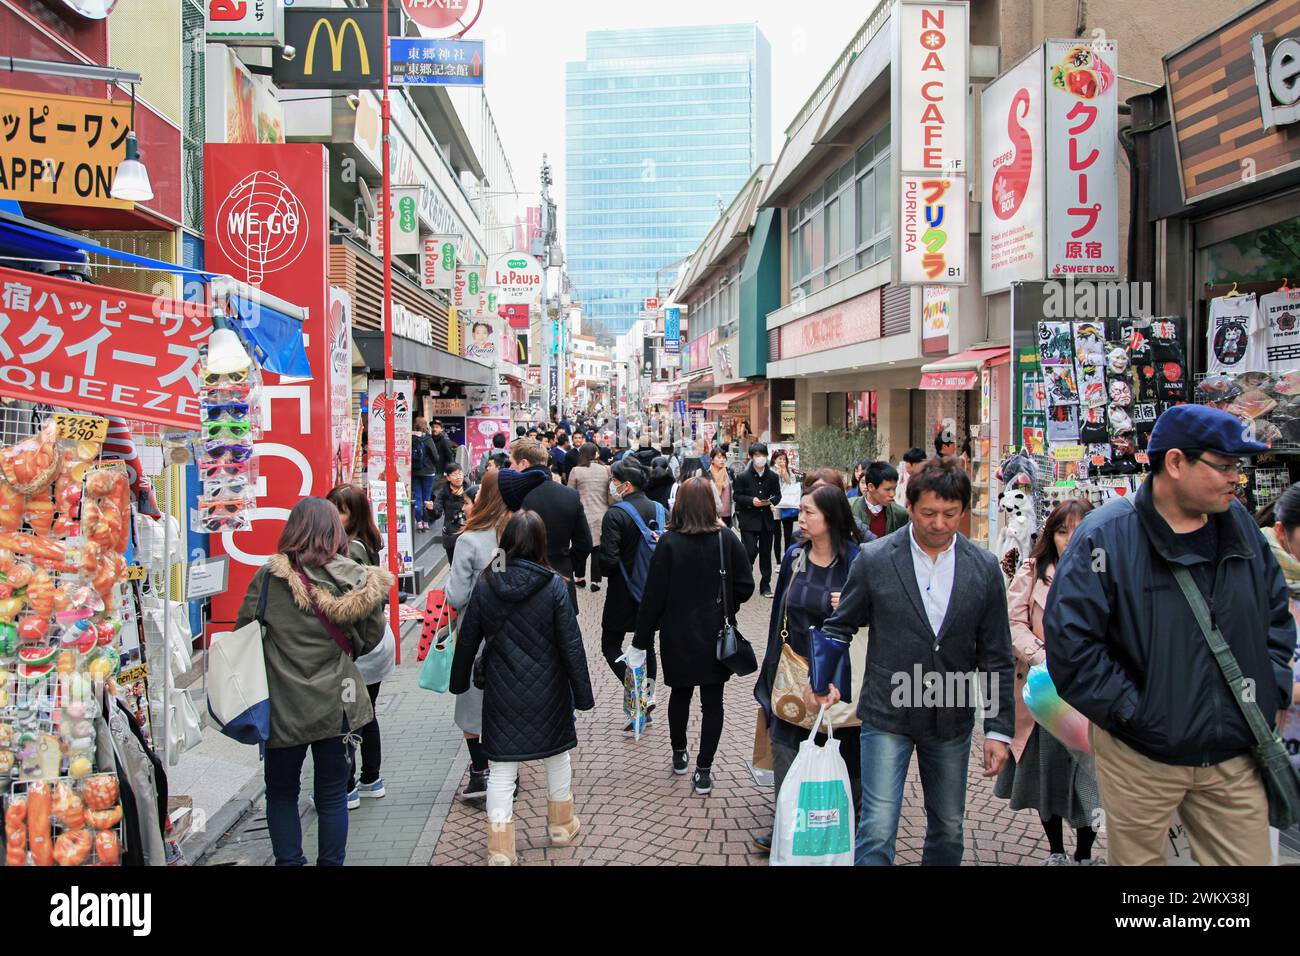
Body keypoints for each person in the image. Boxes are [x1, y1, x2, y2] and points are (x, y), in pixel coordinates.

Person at [1044, 404, 1293, 866]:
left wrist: (1271, 687)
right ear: (1175, 463)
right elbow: (1072, 646)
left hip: (1233, 754)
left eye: (1238, 467)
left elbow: (1274, 616)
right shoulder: (1107, 536)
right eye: (1224, 466)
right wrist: (1137, 716)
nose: (1235, 478)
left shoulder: (1242, 529)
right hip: (1142, 757)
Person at [813, 458, 1015, 865]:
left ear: (963, 510)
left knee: (949, 827)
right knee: (877, 827)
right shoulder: (875, 558)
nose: (939, 523)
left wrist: (998, 729)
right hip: (887, 713)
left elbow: (995, 654)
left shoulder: (984, 568)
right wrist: (824, 679)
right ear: (910, 506)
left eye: (950, 514)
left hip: (951, 717)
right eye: (928, 513)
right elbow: (839, 626)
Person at [235, 498, 390, 866]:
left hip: (282, 702)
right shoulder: (355, 576)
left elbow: (244, 630)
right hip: (336, 700)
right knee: (333, 792)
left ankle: (290, 862)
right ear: (334, 532)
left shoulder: (270, 577)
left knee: (282, 792)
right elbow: (370, 638)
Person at [449, 510, 595, 865]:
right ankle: (561, 826)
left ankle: (500, 848)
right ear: (542, 543)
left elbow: (468, 639)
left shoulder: (487, 583)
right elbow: (570, 645)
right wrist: (584, 694)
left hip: (501, 688)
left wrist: (458, 681)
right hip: (550, 688)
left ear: (506, 542)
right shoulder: (555, 585)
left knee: (501, 766)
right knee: (557, 755)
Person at [752, 482, 865, 854]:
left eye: (807, 512)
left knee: (839, 749)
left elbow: (874, 615)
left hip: (838, 673)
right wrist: (770, 670)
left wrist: (848, 604)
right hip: (793, 667)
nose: (800, 518)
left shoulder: (856, 560)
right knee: (787, 745)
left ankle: (841, 824)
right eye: (800, 511)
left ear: (829, 517)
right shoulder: (794, 557)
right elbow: (777, 616)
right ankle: (786, 824)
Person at [994, 499, 1102, 865]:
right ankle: (1056, 851)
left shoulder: (1109, 570)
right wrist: (1041, 656)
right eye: (1062, 530)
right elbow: (1011, 621)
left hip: (1093, 692)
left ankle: (1084, 853)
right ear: (1050, 535)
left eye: (1079, 529)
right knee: (1046, 776)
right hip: (1043, 693)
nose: (1070, 539)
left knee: (1090, 778)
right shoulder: (1034, 570)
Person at [634, 476, 754, 795]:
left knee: (680, 694)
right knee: (713, 701)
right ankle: (704, 769)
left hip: (677, 634)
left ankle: (679, 753)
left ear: (681, 505)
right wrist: (728, 605)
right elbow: (745, 585)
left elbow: (653, 596)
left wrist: (640, 639)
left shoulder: (669, 543)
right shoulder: (726, 539)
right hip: (716, 634)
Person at [445, 469, 514, 801]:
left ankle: (479, 774)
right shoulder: (509, 535)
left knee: (472, 704)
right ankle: (505, 773)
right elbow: (501, 582)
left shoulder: (469, 540)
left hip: (476, 635)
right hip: (510, 632)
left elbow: (456, 596)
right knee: (504, 702)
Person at [326, 485, 394, 808]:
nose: (333, 515)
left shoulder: (349, 551)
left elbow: (347, 607)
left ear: (354, 514)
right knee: (365, 714)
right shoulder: (366, 542)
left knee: (348, 716)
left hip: (360, 651)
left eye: (339, 510)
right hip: (376, 644)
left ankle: (346, 786)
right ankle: (371, 779)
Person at [599, 457, 663, 724]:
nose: (612, 486)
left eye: (614, 481)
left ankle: (635, 692)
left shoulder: (615, 514)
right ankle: (647, 696)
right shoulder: (660, 510)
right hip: (653, 592)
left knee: (610, 645)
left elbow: (608, 561)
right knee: (646, 645)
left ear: (626, 485)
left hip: (622, 593)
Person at [504, 439, 591, 609]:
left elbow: (499, 544)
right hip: (561, 578)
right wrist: (566, 563)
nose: (509, 468)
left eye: (511, 463)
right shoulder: (570, 495)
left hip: (520, 583)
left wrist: (500, 571)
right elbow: (585, 543)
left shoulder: (512, 496)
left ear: (523, 463)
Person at [733, 442, 782, 598]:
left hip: (766, 520)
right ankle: (745, 580)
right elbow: (737, 496)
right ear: (751, 457)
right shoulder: (742, 477)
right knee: (750, 550)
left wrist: (771, 501)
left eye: (763, 455)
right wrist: (750, 500)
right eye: (757, 455)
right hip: (749, 520)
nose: (760, 458)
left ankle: (765, 584)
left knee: (766, 553)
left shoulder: (773, 476)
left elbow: (778, 495)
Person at [567, 442, 617, 593]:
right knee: (597, 549)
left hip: (581, 514)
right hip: (602, 513)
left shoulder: (575, 471)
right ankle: (596, 581)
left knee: (580, 546)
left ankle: (580, 577)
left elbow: (570, 494)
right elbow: (610, 493)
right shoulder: (606, 470)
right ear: (596, 454)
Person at [430, 462, 475, 566]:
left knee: (467, 563)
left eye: (460, 474)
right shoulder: (443, 492)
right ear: (448, 477)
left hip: (467, 530)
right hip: (451, 532)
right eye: (454, 474)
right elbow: (437, 513)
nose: (458, 477)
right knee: (453, 564)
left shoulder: (470, 489)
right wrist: (431, 509)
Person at [851, 461, 909, 538]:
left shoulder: (900, 514)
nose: (893, 494)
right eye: (887, 489)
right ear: (871, 487)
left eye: (894, 489)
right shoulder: (850, 508)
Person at [771, 449, 800, 567]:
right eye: (780, 459)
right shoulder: (770, 471)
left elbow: (790, 483)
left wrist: (784, 472)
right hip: (775, 505)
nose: (782, 461)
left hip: (788, 504)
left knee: (788, 534)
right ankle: (778, 562)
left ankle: (786, 560)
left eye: (784, 459)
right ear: (774, 460)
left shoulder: (789, 471)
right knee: (777, 535)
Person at [411, 417, 438, 532]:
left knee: (417, 496)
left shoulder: (411, 438)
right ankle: (426, 522)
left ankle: (419, 522)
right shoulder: (428, 439)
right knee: (426, 497)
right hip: (428, 472)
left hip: (416, 471)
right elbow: (435, 456)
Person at [707, 447, 733, 527]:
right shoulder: (707, 474)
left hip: (727, 514)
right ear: (712, 459)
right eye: (719, 457)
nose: (722, 460)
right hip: (712, 513)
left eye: (724, 457)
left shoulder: (729, 472)